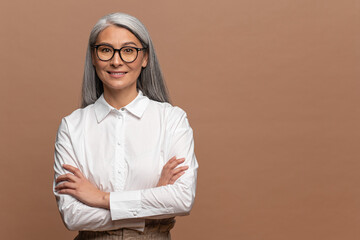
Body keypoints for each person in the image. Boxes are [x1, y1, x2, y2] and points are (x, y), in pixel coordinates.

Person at [53, 12, 198, 239]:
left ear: (145, 58)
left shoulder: (172, 120)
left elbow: (182, 199)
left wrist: (101, 198)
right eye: (105, 50)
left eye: (129, 50)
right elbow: (73, 216)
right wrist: (154, 200)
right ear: (93, 56)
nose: (117, 61)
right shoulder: (72, 126)